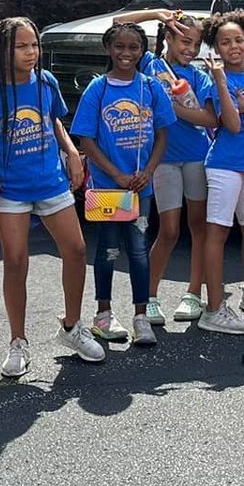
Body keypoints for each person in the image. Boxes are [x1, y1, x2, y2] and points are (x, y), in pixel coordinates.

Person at [0, 18, 106, 377]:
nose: (31, 53)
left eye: (34, 45)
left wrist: (70, 152)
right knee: (16, 262)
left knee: (77, 250)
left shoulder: (46, 81)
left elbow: (54, 120)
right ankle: (17, 341)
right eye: (22, 46)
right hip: (10, 192)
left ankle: (71, 327)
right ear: (4, 50)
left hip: (50, 183)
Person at [71, 22, 175, 348]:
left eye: (133, 47)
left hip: (140, 188)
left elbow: (162, 134)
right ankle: (103, 315)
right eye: (119, 47)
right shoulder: (98, 90)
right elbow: (85, 138)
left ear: (142, 51)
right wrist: (115, 173)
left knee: (139, 250)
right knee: (109, 249)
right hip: (107, 188)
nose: (126, 53)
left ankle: (141, 316)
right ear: (108, 49)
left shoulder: (151, 88)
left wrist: (150, 170)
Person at [113, 9, 214, 323]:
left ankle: (194, 293)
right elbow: (118, 25)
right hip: (164, 160)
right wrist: (158, 14)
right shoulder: (150, 65)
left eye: (196, 44)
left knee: (199, 226)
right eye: (184, 41)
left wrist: (173, 108)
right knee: (168, 230)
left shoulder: (199, 76)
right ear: (167, 37)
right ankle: (149, 296)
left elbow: (211, 119)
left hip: (197, 155)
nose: (191, 50)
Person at [194, 9, 244, 335]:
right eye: (225, 42)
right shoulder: (214, 81)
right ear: (216, 47)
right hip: (225, 166)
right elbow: (232, 123)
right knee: (218, 232)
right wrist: (221, 82)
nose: (233, 47)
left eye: (238, 40)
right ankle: (213, 308)